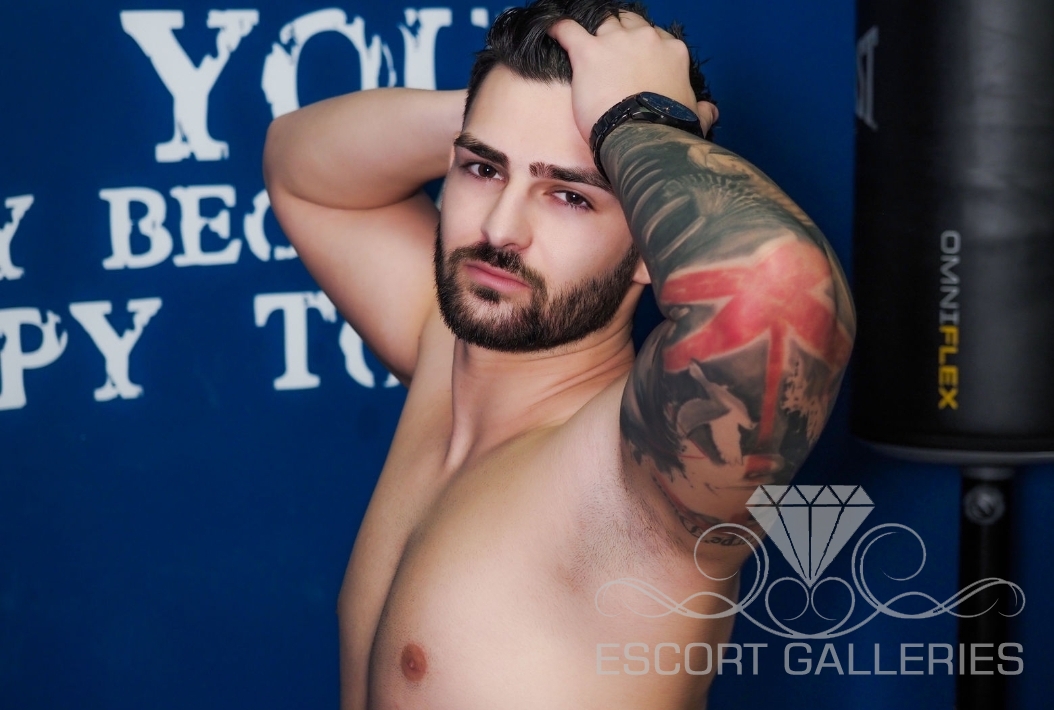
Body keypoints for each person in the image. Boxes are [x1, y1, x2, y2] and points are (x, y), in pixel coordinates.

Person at [263, 0, 854, 707]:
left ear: (652, 246)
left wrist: (636, 119)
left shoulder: (636, 478)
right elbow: (300, 165)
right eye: (482, 169)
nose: (499, 228)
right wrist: (514, 112)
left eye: (570, 196)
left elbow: (777, 292)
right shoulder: (447, 348)